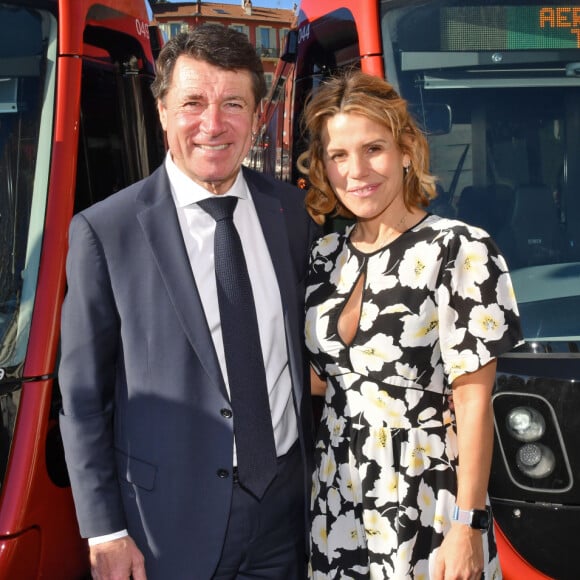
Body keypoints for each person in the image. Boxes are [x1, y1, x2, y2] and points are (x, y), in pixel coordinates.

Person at [59, 24, 319, 579]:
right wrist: (104, 530)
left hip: (286, 513)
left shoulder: (292, 215)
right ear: (160, 111)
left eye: (232, 103)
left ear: (258, 115)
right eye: (193, 103)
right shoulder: (105, 232)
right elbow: (83, 398)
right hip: (165, 525)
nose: (213, 125)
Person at [298, 70, 523, 579]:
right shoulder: (324, 255)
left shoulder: (459, 248)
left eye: (373, 148)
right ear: (324, 167)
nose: (357, 171)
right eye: (338, 155)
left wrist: (467, 525)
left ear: (405, 151)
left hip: (427, 494)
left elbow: (472, 397)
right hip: (339, 491)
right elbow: (318, 376)